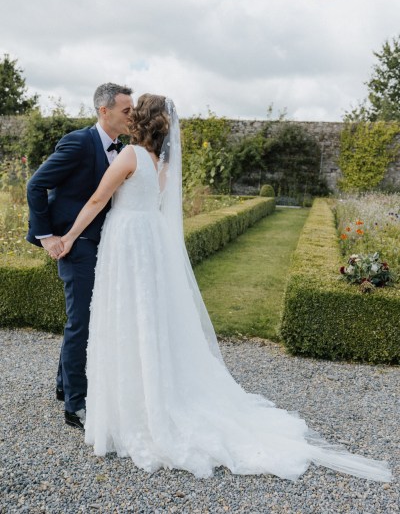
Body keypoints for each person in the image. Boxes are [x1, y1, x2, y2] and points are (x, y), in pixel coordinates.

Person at [57, 94, 392, 481]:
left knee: (125, 317)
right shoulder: (162, 165)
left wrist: (68, 236)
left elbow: (99, 198)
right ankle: (149, 389)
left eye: (134, 113)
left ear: (141, 123)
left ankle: (131, 405)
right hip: (147, 244)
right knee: (147, 317)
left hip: (126, 241)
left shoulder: (130, 157)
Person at [26, 83, 134, 430]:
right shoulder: (78, 142)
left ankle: (64, 386)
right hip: (77, 245)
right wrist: (46, 237)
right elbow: (36, 185)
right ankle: (76, 404)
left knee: (87, 318)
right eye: (127, 110)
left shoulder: (124, 149)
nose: (133, 115)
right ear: (105, 111)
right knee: (81, 322)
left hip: (105, 245)